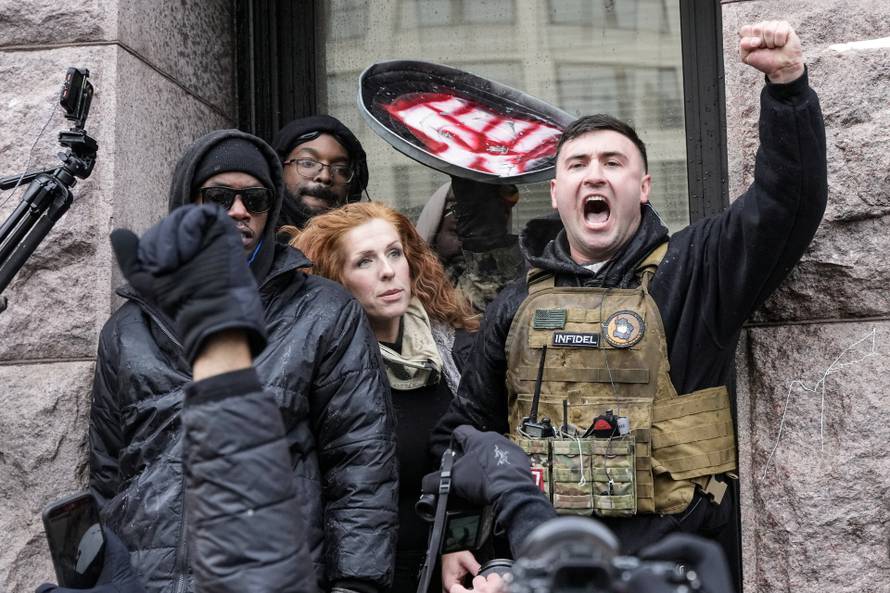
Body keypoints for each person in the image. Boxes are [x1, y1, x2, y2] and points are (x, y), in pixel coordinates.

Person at [429, 19, 826, 590]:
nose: (596, 174)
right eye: (578, 165)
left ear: (642, 187)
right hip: (548, 565)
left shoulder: (695, 271)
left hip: (671, 562)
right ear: (557, 193)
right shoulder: (516, 304)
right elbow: (466, 434)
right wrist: (457, 541)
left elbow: (788, 201)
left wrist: (787, 86)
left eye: (614, 163)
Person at [88, 130, 398, 593]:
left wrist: (356, 585)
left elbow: (362, 466)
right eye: (218, 196)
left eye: (254, 198)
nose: (238, 211)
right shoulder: (127, 330)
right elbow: (108, 477)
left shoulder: (323, 312)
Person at [285, 202, 478, 592]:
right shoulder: (319, 369)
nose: (388, 271)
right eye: (364, 262)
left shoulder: (452, 350)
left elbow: (470, 472)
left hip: (448, 572)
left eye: (394, 253)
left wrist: (458, 542)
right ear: (334, 279)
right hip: (353, 577)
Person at [415, 179, 523, 314]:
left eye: (483, 238)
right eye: (457, 234)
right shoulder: (414, 290)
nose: (467, 247)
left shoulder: (517, 279)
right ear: (435, 230)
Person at [273, 115, 369, 228]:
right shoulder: (253, 238)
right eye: (308, 163)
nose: (325, 176)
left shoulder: (365, 242)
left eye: (340, 169)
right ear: (279, 168)